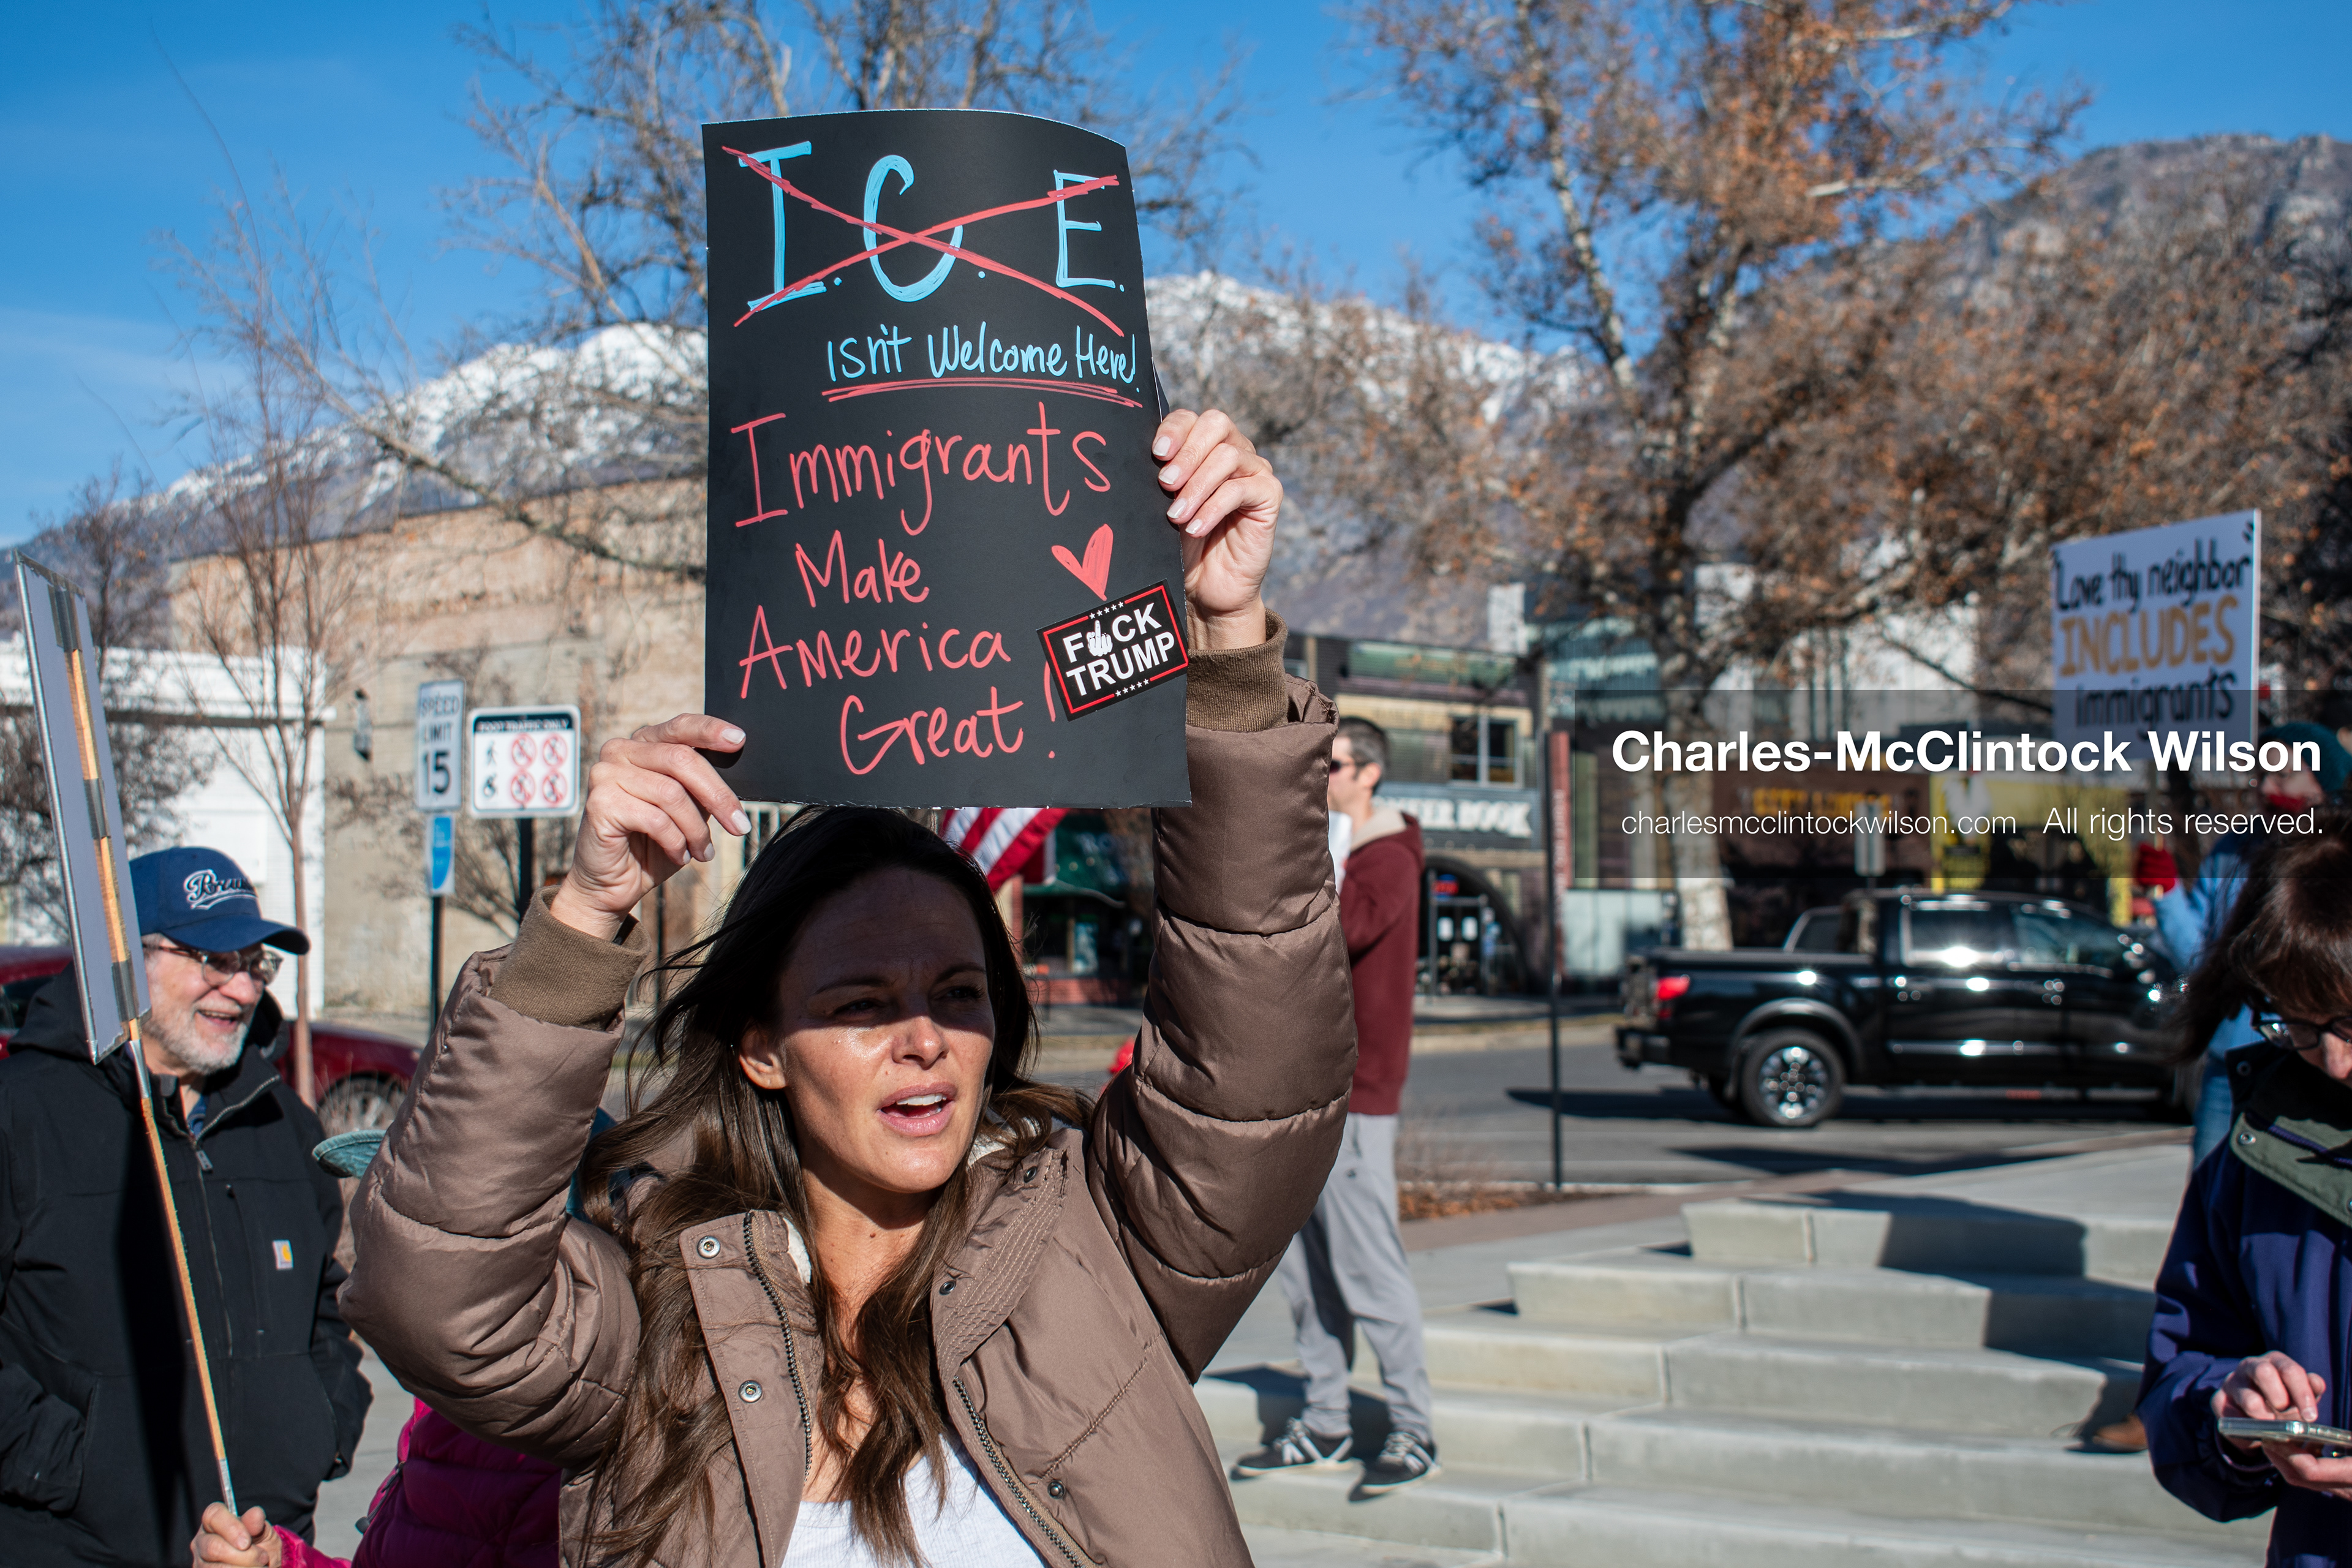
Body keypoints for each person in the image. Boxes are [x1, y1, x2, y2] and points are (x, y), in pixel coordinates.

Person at [340, 410, 1359, 1567]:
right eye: (863, 1004)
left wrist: (1226, 648)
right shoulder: (656, 1317)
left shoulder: (1097, 1257)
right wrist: (583, 918)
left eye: (960, 994)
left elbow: (1258, 1064)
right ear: (762, 1046)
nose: (925, 1038)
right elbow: (433, 1292)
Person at [0, 847, 368, 1566]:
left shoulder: (284, 1124)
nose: (241, 988)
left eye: (256, 963)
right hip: (71, 1544)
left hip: (266, 1547)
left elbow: (332, 1304)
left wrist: (319, 1426)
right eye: (213, 959)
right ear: (124, 960)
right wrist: (66, 1462)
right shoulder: (23, 1115)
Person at [191, 1129, 567, 1568]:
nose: (392, 1249)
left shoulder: (546, 1464)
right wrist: (284, 1563)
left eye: (440, 1220)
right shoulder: (445, 1409)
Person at [1237, 715, 1439, 1494]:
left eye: (1336, 765)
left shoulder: (1388, 854)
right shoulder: (1334, 848)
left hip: (1357, 1093)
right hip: (1296, 1089)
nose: (1322, 777)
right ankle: (1325, 1421)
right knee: (1305, 1269)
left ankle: (1413, 1430)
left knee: (1366, 1266)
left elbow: (1343, 928)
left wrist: (1317, 856)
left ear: (1369, 774)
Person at [2141, 821, 2352, 1566]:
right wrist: (2227, 1408)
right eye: (2300, 1021)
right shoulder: (2248, 1163)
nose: (2334, 1060)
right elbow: (2184, 1363)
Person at [2158, 722, 2351, 1166]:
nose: (2266, 788)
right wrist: (2166, 894)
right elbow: (2202, 955)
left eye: (2281, 775)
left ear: (2320, 780)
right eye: (2260, 776)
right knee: (2211, 1196)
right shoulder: (2232, 851)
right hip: (2231, 1058)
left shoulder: (2339, 855)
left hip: (2307, 1060)